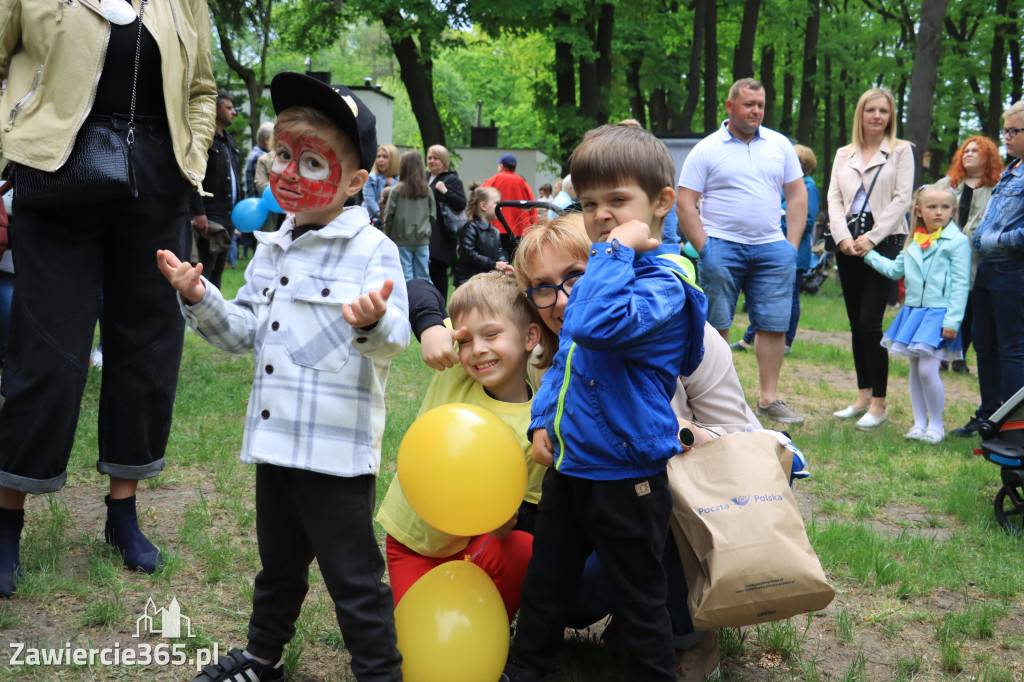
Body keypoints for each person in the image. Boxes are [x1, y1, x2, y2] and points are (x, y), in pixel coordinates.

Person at [160, 72, 407, 682]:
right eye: (283, 154)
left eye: (313, 161)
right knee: (277, 566)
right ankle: (262, 657)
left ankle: (379, 671)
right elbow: (242, 331)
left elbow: (394, 340)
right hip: (276, 447)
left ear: (354, 180)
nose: (291, 170)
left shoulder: (374, 250)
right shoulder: (272, 247)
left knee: (352, 578)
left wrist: (373, 322)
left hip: (335, 455)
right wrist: (199, 296)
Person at [0, 0, 216, 597]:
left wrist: (189, 156)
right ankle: (6, 518)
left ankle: (123, 514)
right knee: (47, 350)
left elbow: (201, 88)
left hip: (156, 181)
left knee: (147, 349)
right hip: (55, 170)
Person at [503, 124, 708, 682]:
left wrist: (613, 252)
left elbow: (591, 326)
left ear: (662, 202)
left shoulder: (664, 281)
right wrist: (543, 421)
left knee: (640, 599)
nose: (600, 216)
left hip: (627, 478)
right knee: (545, 582)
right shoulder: (610, 273)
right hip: (574, 467)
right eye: (589, 203)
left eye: (618, 201)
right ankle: (528, 669)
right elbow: (567, 357)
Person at [377, 272, 549, 620]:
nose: (477, 349)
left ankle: (489, 622)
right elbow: (416, 285)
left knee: (524, 549)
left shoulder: (537, 423)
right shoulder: (454, 370)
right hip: (413, 542)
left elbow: (529, 509)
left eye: (492, 334)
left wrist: (509, 522)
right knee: (417, 647)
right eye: (466, 340)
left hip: (475, 548)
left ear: (530, 336)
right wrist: (430, 329)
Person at [677, 78, 808, 425]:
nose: (756, 111)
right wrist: (706, 249)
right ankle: (721, 400)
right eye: (749, 104)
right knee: (717, 324)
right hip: (721, 247)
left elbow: (797, 195)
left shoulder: (780, 145)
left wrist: (790, 247)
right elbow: (685, 203)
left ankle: (769, 399)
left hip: (771, 248)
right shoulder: (706, 148)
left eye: (761, 105)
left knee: (773, 325)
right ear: (729, 106)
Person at [826, 88, 914, 431]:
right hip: (847, 243)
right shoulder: (843, 153)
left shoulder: (901, 151)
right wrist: (843, 238)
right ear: (860, 114)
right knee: (854, 323)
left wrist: (872, 239)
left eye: (884, 111)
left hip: (885, 241)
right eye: (871, 110)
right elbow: (834, 199)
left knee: (869, 323)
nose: (877, 116)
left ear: (891, 116)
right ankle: (863, 396)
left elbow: (902, 198)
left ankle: (880, 403)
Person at [860, 185, 971, 443]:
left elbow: (961, 284)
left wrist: (952, 320)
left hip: (939, 315)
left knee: (927, 371)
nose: (939, 212)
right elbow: (895, 270)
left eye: (945, 207)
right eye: (932, 207)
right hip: (913, 313)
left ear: (954, 211)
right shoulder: (913, 241)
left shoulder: (958, 242)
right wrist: (868, 255)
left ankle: (937, 425)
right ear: (919, 211)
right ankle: (919, 424)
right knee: (915, 368)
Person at [953, 101, 1024, 438]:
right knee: (984, 345)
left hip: (1013, 271)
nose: (1006, 137)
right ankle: (989, 416)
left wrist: (994, 239)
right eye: (1005, 130)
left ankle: (1013, 425)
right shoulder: (1013, 170)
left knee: (1012, 349)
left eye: (1014, 131)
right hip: (987, 271)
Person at [733, 144, 821, 356]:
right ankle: (750, 338)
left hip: (795, 250)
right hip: (774, 247)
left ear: (800, 164)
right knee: (764, 294)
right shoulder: (784, 186)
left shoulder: (808, 187)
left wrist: (774, 221)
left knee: (790, 296)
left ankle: (786, 343)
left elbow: (807, 221)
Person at [934, 136, 1003, 374]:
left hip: (978, 260)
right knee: (945, 306)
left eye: (975, 150)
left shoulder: (998, 187)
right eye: (966, 150)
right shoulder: (948, 184)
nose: (969, 154)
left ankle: (960, 356)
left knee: (971, 309)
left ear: (989, 157)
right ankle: (941, 355)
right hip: (946, 258)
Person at [190, 90, 241, 290]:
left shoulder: (229, 141)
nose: (233, 112)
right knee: (204, 271)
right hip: (210, 216)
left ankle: (213, 318)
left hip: (229, 216)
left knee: (218, 272)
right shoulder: (204, 139)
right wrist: (199, 211)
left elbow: (234, 177)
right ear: (215, 108)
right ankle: (197, 319)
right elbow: (194, 176)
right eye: (228, 108)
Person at [385, 150, 436, 282]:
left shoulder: (396, 190)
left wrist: (390, 235)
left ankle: (408, 302)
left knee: (405, 276)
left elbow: (389, 216)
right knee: (424, 275)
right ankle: (426, 301)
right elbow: (432, 216)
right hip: (422, 240)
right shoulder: (427, 190)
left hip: (401, 239)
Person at [425, 145, 467, 297]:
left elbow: (461, 203)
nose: (432, 161)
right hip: (424, 231)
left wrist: (445, 192)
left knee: (438, 271)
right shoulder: (424, 177)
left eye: (435, 158)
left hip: (442, 234)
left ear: (443, 160)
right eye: (430, 157)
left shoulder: (451, 179)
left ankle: (441, 310)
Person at [483, 153, 539, 260]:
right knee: (512, 257)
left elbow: (480, 197)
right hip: (518, 228)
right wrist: (534, 226)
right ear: (515, 168)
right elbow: (532, 205)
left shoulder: (493, 179)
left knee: (498, 258)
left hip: (496, 226)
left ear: (501, 166)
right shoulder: (521, 182)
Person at [453, 186, 512, 286]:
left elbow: (499, 254)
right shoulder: (471, 227)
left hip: (485, 282)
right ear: (483, 206)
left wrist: (504, 264)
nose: (500, 207)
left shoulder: (495, 231)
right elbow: (469, 253)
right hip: (468, 282)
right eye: (497, 203)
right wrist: (493, 264)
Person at [364, 143, 399, 226]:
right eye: (378, 156)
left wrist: (392, 183)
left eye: (385, 157)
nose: (380, 160)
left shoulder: (400, 178)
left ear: (393, 159)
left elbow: (402, 197)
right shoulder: (371, 178)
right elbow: (370, 200)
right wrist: (382, 216)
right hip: (374, 221)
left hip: (395, 222)